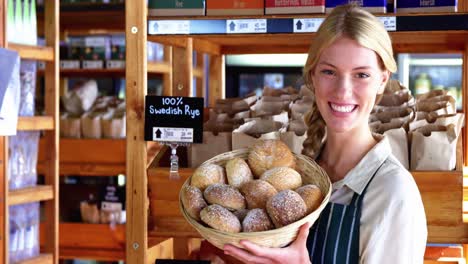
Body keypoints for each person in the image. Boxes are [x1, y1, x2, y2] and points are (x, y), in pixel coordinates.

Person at [223, 4, 427, 264]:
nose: (343, 91)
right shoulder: (301, 174)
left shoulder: (393, 192)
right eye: (329, 72)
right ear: (313, 76)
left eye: (361, 75)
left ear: (382, 80)